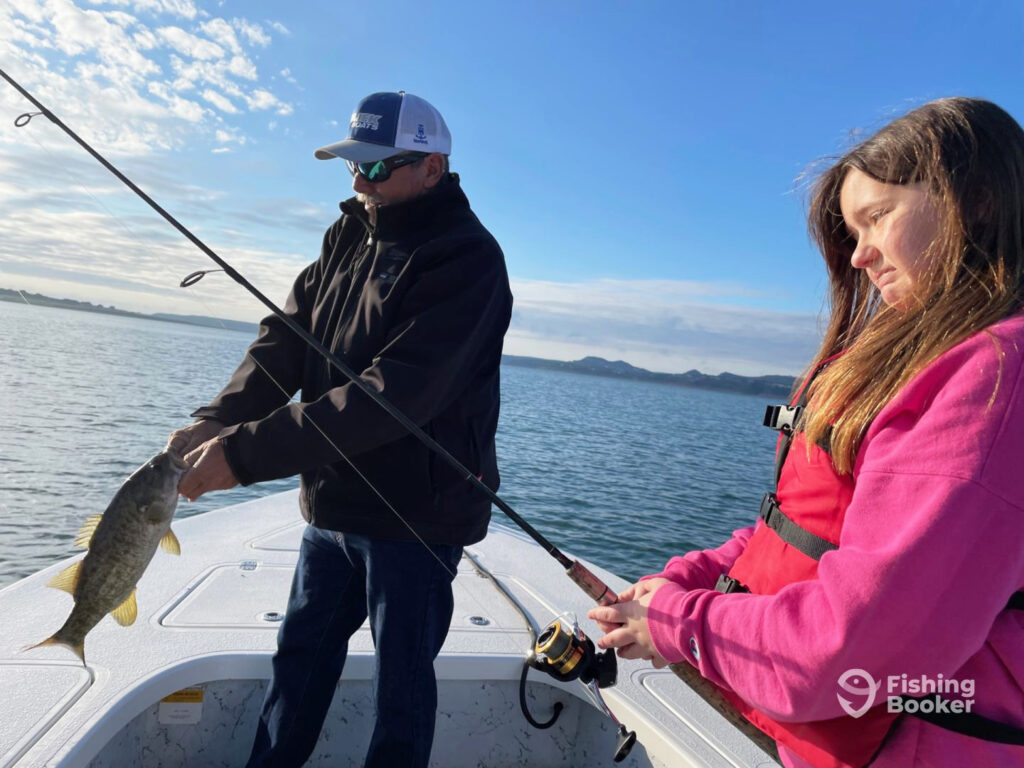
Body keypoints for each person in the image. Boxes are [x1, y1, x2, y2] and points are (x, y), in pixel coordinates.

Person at [589, 97, 1024, 768]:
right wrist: (684, 580)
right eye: (853, 231)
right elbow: (808, 527)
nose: (860, 256)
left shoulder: (995, 377)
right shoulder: (933, 357)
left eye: (878, 217)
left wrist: (678, 623)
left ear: (982, 198)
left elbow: (858, 646)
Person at [167, 90, 513, 768]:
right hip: (331, 504)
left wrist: (242, 456)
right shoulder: (348, 232)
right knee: (299, 660)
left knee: (400, 689)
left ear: (433, 168)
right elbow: (285, 342)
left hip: (418, 519)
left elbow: (391, 396)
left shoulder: (468, 260)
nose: (359, 181)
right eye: (353, 165)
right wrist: (216, 420)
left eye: (378, 169)